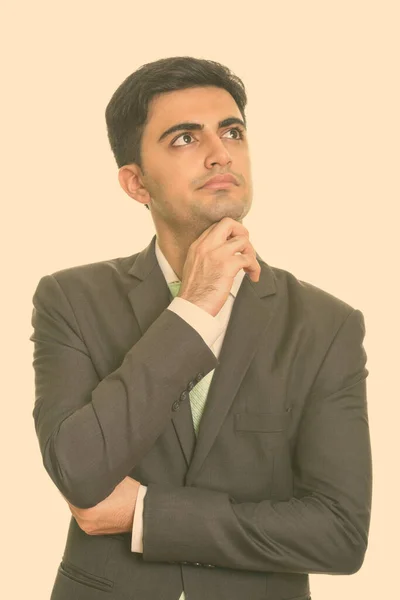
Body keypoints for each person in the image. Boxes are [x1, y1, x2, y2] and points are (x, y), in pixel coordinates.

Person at [30, 56, 372, 600]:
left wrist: (147, 514)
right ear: (135, 183)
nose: (220, 153)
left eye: (232, 132)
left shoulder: (326, 324)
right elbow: (79, 472)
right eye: (185, 138)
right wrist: (192, 309)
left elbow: (339, 535)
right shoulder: (70, 299)